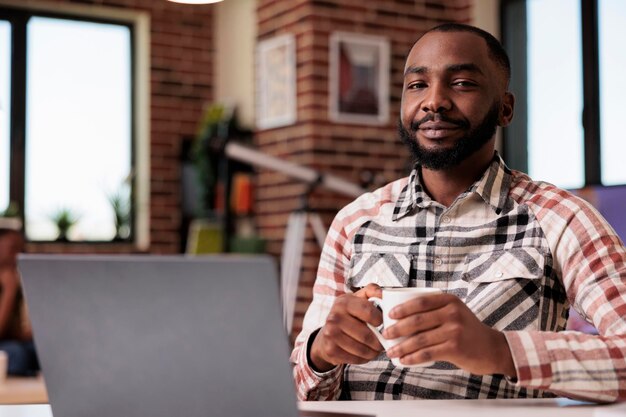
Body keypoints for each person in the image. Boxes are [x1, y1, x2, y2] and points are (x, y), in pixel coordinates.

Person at [291, 23, 626, 402]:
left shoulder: (561, 218)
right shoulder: (355, 222)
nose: (434, 101)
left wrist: (500, 350)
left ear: (505, 108)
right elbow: (301, 389)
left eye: (462, 83)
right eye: (417, 85)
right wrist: (319, 354)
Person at [0, 222, 39, 376]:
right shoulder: (10, 284)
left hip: (12, 340)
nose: (18, 254)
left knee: (41, 351)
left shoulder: (20, 278)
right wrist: (9, 291)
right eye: (12, 249)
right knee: (17, 354)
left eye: (21, 249)